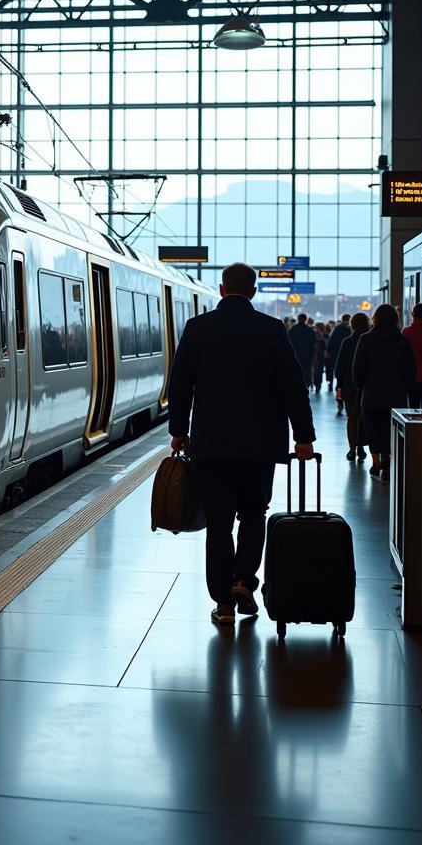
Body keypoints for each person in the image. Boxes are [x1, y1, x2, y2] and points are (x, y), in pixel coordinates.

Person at [168, 262, 315, 626]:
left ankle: (223, 603)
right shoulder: (272, 329)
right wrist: (304, 436)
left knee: (219, 523)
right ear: (252, 292)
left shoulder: (197, 328)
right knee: (253, 514)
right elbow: (292, 386)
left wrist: (178, 430)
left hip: (212, 444)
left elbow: (180, 384)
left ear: (221, 290)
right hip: (260, 445)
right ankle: (243, 580)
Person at [352, 303, 416, 481]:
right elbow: (411, 368)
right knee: (391, 429)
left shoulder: (366, 339)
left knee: (372, 428)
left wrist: (362, 387)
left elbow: (357, 369)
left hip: (371, 394)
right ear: (395, 319)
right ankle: (387, 460)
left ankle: (375, 463)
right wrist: (406, 389)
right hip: (397, 394)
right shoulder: (404, 341)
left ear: (376, 318)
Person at [333, 312, 370, 461]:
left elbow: (339, 367)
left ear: (352, 325)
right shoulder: (370, 340)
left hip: (350, 386)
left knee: (352, 418)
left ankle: (352, 448)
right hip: (368, 386)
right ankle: (361, 446)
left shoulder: (347, 342)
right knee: (365, 417)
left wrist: (339, 386)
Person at [327, 314, 352, 415]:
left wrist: (328, 351)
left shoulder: (337, 329)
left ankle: (339, 403)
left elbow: (331, 341)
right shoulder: (350, 331)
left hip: (336, 356)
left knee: (339, 385)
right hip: (349, 360)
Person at [288, 312, 315, 390]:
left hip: (295, 353)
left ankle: (296, 384)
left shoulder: (293, 329)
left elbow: (289, 341)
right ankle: (307, 384)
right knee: (306, 369)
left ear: (298, 319)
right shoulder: (309, 330)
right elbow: (313, 341)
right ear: (306, 319)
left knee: (295, 369)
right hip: (307, 354)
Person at [312, 322, 327, 392]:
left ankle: (316, 384)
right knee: (319, 371)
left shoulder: (313, 334)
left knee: (315, 371)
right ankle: (318, 385)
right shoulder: (325, 335)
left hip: (314, 356)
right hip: (320, 356)